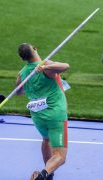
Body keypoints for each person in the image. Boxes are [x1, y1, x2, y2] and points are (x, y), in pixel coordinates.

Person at [16, 43, 69, 180]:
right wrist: (46, 67)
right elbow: (65, 66)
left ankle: (49, 174)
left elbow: (19, 92)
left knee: (46, 140)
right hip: (55, 114)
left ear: (23, 59)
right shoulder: (46, 66)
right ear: (35, 49)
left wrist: (28, 81)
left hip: (38, 116)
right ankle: (42, 176)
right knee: (60, 157)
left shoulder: (22, 74)